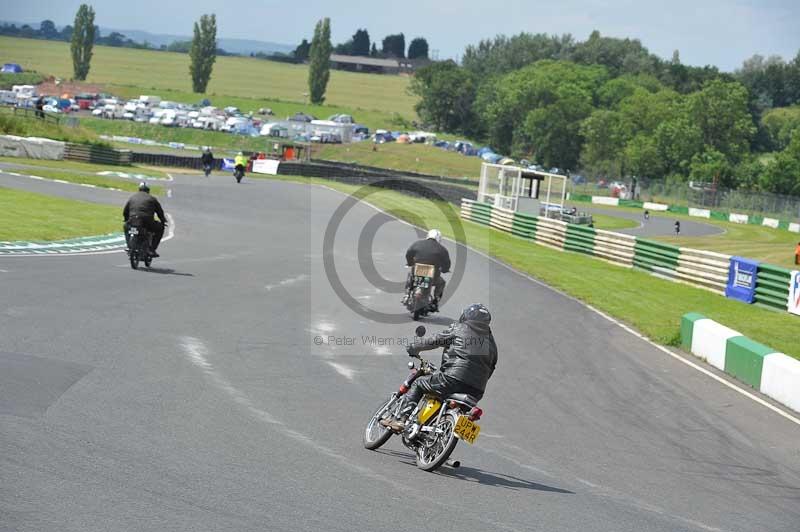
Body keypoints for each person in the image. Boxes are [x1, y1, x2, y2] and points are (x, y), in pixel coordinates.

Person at [382, 303, 498, 432]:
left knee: (419, 383)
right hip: (476, 391)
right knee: (452, 404)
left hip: (452, 378)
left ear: (466, 316)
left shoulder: (459, 328)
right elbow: (491, 369)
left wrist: (414, 347)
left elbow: (434, 340)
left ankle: (401, 419)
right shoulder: (492, 343)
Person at [405, 229, 451, 311]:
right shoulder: (442, 249)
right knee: (441, 283)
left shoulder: (417, 243)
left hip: (417, 271)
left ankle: (407, 294)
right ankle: (435, 300)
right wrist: (445, 269)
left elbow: (409, 253)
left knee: (410, 276)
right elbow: (447, 262)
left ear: (428, 236)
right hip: (432, 274)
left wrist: (410, 263)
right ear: (439, 239)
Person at [123, 182, 167, 257]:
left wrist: (126, 219)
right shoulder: (152, 198)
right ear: (148, 190)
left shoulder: (132, 197)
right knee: (160, 228)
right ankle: (152, 249)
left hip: (133, 220)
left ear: (139, 189)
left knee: (126, 227)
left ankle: (129, 246)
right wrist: (163, 221)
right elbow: (160, 212)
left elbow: (125, 211)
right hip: (147, 221)